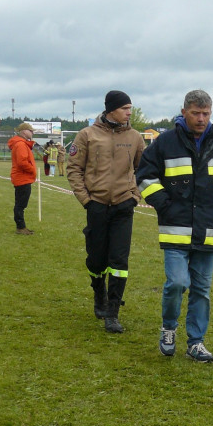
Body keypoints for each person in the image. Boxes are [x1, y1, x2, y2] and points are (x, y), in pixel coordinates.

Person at [135, 90, 213, 363]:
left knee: (201, 290)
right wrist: (164, 204)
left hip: (208, 229)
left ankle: (196, 342)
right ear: (184, 111)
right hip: (175, 227)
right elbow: (144, 175)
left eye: (206, 113)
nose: (201, 118)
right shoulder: (165, 142)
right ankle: (168, 328)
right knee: (176, 283)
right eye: (196, 113)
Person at [66, 90, 146, 333]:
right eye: (125, 108)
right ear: (111, 109)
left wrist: (134, 196)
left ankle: (113, 312)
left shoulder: (135, 137)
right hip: (97, 206)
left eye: (130, 108)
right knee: (96, 258)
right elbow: (74, 170)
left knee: (119, 260)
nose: (129, 113)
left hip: (123, 206)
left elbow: (144, 170)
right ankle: (98, 291)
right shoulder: (87, 135)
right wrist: (87, 201)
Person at [8, 123, 38, 235]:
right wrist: (32, 170)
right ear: (24, 131)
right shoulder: (21, 145)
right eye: (31, 131)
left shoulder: (21, 144)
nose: (32, 133)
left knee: (21, 204)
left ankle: (21, 226)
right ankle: (20, 227)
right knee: (20, 205)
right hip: (22, 178)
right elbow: (22, 162)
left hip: (22, 178)